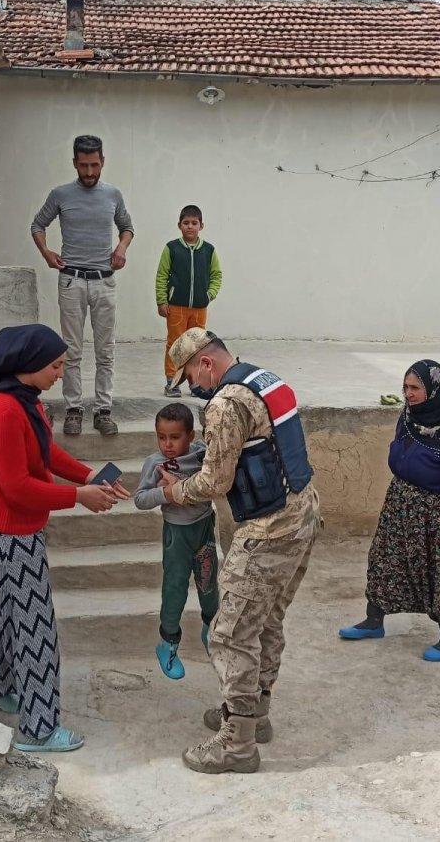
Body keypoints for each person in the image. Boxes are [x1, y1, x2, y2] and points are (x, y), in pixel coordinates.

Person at [0, 324, 130, 753]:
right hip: (8, 535)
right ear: (27, 364)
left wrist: (88, 474)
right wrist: (79, 496)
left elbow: (45, 452)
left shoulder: (23, 404)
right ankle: (38, 729)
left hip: (4, 529)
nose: (60, 374)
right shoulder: (2, 411)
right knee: (36, 632)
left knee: (5, 617)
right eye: (54, 366)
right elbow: (16, 487)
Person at [158, 328, 320, 774]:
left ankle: (237, 744)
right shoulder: (265, 379)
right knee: (266, 620)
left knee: (230, 633)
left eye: (191, 373)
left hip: (270, 530)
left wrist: (175, 491)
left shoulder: (226, 403)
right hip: (303, 514)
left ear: (206, 363)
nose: (192, 384)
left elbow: (215, 482)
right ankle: (253, 714)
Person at [338, 360, 440, 662]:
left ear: (434, 390)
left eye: (415, 388)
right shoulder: (408, 418)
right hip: (400, 508)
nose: (408, 394)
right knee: (385, 561)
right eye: (405, 387)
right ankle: (374, 622)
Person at [30, 135, 135, 437]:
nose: (89, 172)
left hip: (104, 281)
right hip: (71, 280)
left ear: (103, 162)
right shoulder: (61, 194)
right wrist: (46, 253)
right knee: (72, 350)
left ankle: (103, 410)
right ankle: (73, 409)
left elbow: (127, 227)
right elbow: (37, 225)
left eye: (95, 165)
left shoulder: (113, 194)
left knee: (106, 351)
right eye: (84, 165)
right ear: (74, 163)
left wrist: (121, 249)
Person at [134, 402, 217, 680]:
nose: (167, 444)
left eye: (175, 437)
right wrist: (164, 493)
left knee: (209, 584)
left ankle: (211, 630)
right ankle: (167, 643)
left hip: (204, 528)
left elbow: (216, 483)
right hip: (176, 535)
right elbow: (140, 499)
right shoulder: (155, 464)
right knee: (175, 589)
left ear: (190, 436)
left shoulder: (203, 454)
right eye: (162, 437)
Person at [156, 205, 223, 397]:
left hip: (199, 308)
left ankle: (196, 383)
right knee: (175, 344)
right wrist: (162, 300)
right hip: (176, 307)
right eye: (186, 223)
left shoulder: (208, 250)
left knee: (198, 346)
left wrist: (209, 294)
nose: (190, 227)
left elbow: (216, 275)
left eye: (194, 223)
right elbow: (162, 275)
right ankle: (172, 382)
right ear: (179, 225)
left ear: (201, 226)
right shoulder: (172, 248)